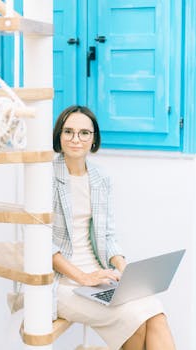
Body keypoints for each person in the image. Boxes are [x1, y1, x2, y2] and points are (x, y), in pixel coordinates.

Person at [52, 105, 176, 350]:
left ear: (93, 139)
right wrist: (83, 277)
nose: (76, 139)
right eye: (68, 132)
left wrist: (123, 268)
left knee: (155, 313)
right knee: (136, 319)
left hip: (98, 277)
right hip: (63, 283)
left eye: (84, 133)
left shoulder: (100, 179)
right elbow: (42, 245)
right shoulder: (43, 175)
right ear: (59, 135)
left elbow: (108, 235)